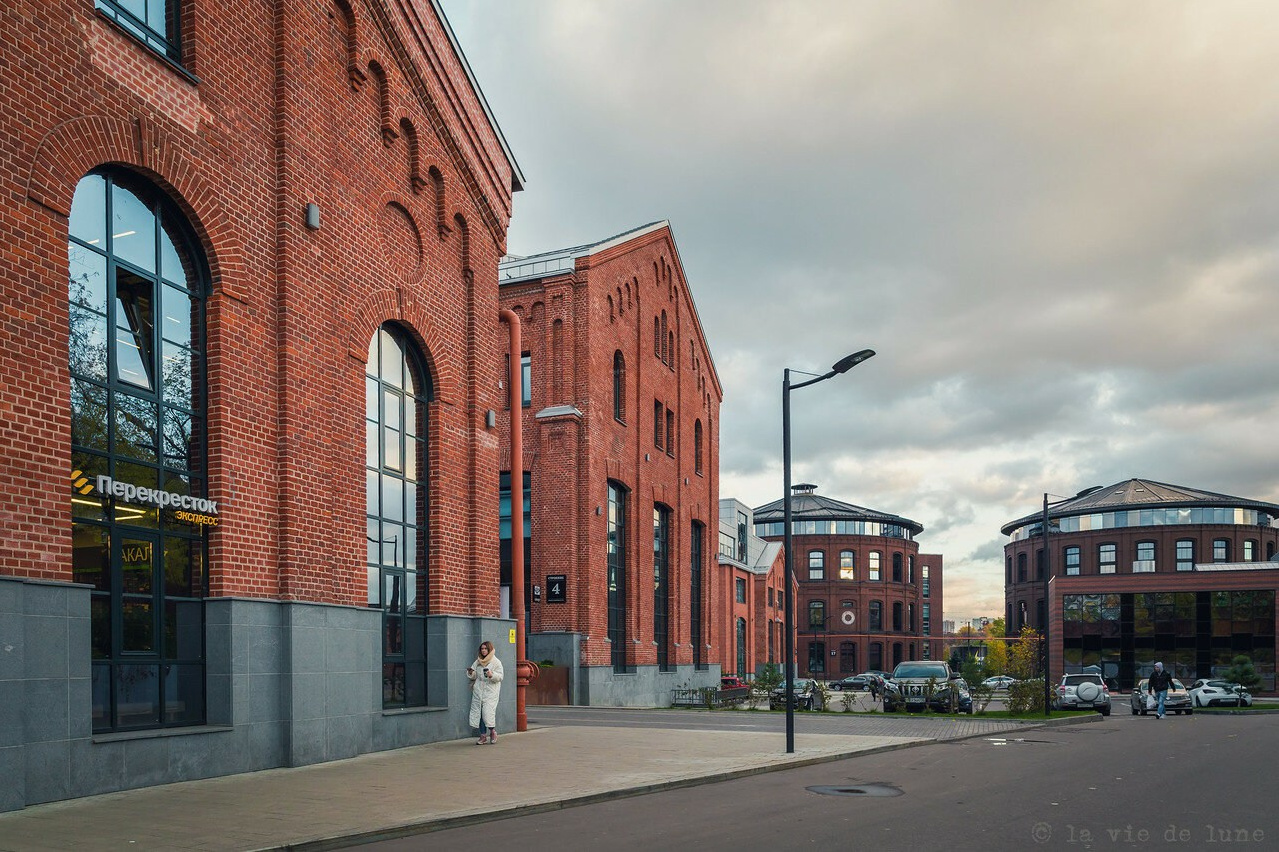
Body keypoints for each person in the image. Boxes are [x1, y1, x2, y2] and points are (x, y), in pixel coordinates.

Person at [468, 640, 504, 744]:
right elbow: (474, 675)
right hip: (479, 690)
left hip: (490, 691)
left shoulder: (496, 662)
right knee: (478, 712)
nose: (483, 651)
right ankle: (483, 736)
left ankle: (492, 731)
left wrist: (491, 675)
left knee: (487, 713)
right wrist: (470, 672)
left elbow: (500, 676)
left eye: (485, 649)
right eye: (482, 649)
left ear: (489, 649)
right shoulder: (478, 661)